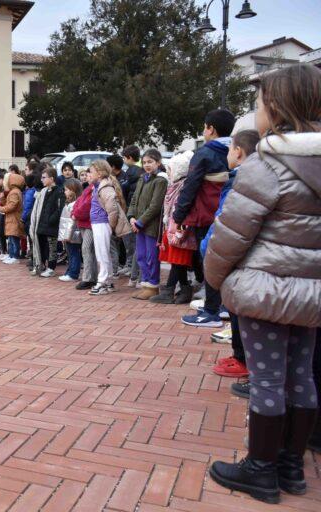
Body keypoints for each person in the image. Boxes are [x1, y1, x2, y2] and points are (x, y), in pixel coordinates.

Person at [206, 64, 321, 505]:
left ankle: (260, 469)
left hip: (266, 291)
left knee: (268, 380)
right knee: (301, 375)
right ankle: (291, 467)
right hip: (311, 293)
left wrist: (216, 280)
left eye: (258, 102)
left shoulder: (267, 164)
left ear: (276, 107)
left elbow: (231, 236)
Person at [197, 130, 260, 386]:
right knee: (236, 310)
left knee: (238, 311)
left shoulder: (241, 181)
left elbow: (227, 223)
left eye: (230, 149)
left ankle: (243, 360)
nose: (227, 155)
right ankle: (241, 355)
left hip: (234, 258)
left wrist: (208, 249)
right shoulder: (244, 178)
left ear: (239, 151)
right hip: (238, 258)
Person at [176, 109, 235, 327]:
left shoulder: (205, 153)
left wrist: (179, 214)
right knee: (229, 261)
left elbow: (190, 186)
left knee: (208, 260)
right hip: (232, 213)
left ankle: (211, 310)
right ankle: (225, 305)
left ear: (211, 129)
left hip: (206, 215)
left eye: (205, 127)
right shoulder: (237, 150)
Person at [150, 151, 195, 305]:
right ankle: (185, 289)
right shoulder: (175, 186)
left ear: (178, 170)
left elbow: (184, 211)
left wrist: (179, 232)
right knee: (177, 262)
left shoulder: (183, 187)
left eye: (170, 169)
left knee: (178, 260)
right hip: (172, 229)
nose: (168, 172)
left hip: (180, 231)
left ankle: (168, 291)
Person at [126, 149, 169, 300]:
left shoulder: (160, 180)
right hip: (138, 225)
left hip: (151, 226)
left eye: (150, 162)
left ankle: (153, 285)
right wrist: (131, 217)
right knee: (141, 256)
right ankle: (145, 284)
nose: (147, 165)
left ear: (158, 162)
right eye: (144, 162)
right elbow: (134, 200)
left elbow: (155, 206)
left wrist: (140, 222)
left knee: (151, 256)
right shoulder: (142, 178)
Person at [88, 160, 132, 295]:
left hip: (102, 223)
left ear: (100, 173)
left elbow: (112, 209)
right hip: (98, 223)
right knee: (102, 253)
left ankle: (102, 282)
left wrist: (110, 225)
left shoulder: (105, 187)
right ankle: (108, 281)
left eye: (91, 172)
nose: (89, 174)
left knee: (102, 254)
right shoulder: (99, 186)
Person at [107, 154, 137, 281]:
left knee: (128, 242)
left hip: (124, 213)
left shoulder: (124, 179)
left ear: (113, 166)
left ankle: (130, 265)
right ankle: (124, 264)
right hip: (118, 213)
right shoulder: (119, 177)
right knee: (119, 241)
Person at [31, 168, 64, 278]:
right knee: (42, 246)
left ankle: (51, 268)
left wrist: (51, 220)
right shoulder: (43, 192)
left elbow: (59, 209)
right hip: (42, 225)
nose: (42, 180)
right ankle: (42, 265)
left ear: (52, 178)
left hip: (51, 226)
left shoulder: (59, 191)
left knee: (51, 247)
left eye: (44, 177)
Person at [72, 179, 97, 290]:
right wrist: (74, 212)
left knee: (87, 249)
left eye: (90, 173)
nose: (88, 176)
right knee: (89, 250)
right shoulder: (88, 188)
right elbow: (79, 201)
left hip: (90, 224)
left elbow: (87, 206)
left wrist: (76, 214)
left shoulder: (95, 188)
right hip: (83, 223)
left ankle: (88, 278)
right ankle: (92, 277)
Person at [58, 181, 83, 282]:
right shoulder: (69, 203)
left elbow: (72, 222)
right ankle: (69, 271)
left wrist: (67, 235)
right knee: (70, 253)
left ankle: (73, 274)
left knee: (74, 253)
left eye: (67, 190)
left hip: (73, 234)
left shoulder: (74, 204)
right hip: (69, 233)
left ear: (73, 191)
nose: (65, 192)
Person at [0, 173, 25, 264]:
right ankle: (11, 255)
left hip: (14, 219)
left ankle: (15, 256)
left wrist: (1, 209)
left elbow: (12, 206)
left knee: (14, 239)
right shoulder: (13, 191)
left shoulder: (14, 192)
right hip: (11, 219)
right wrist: (2, 198)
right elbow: (8, 203)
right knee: (11, 239)